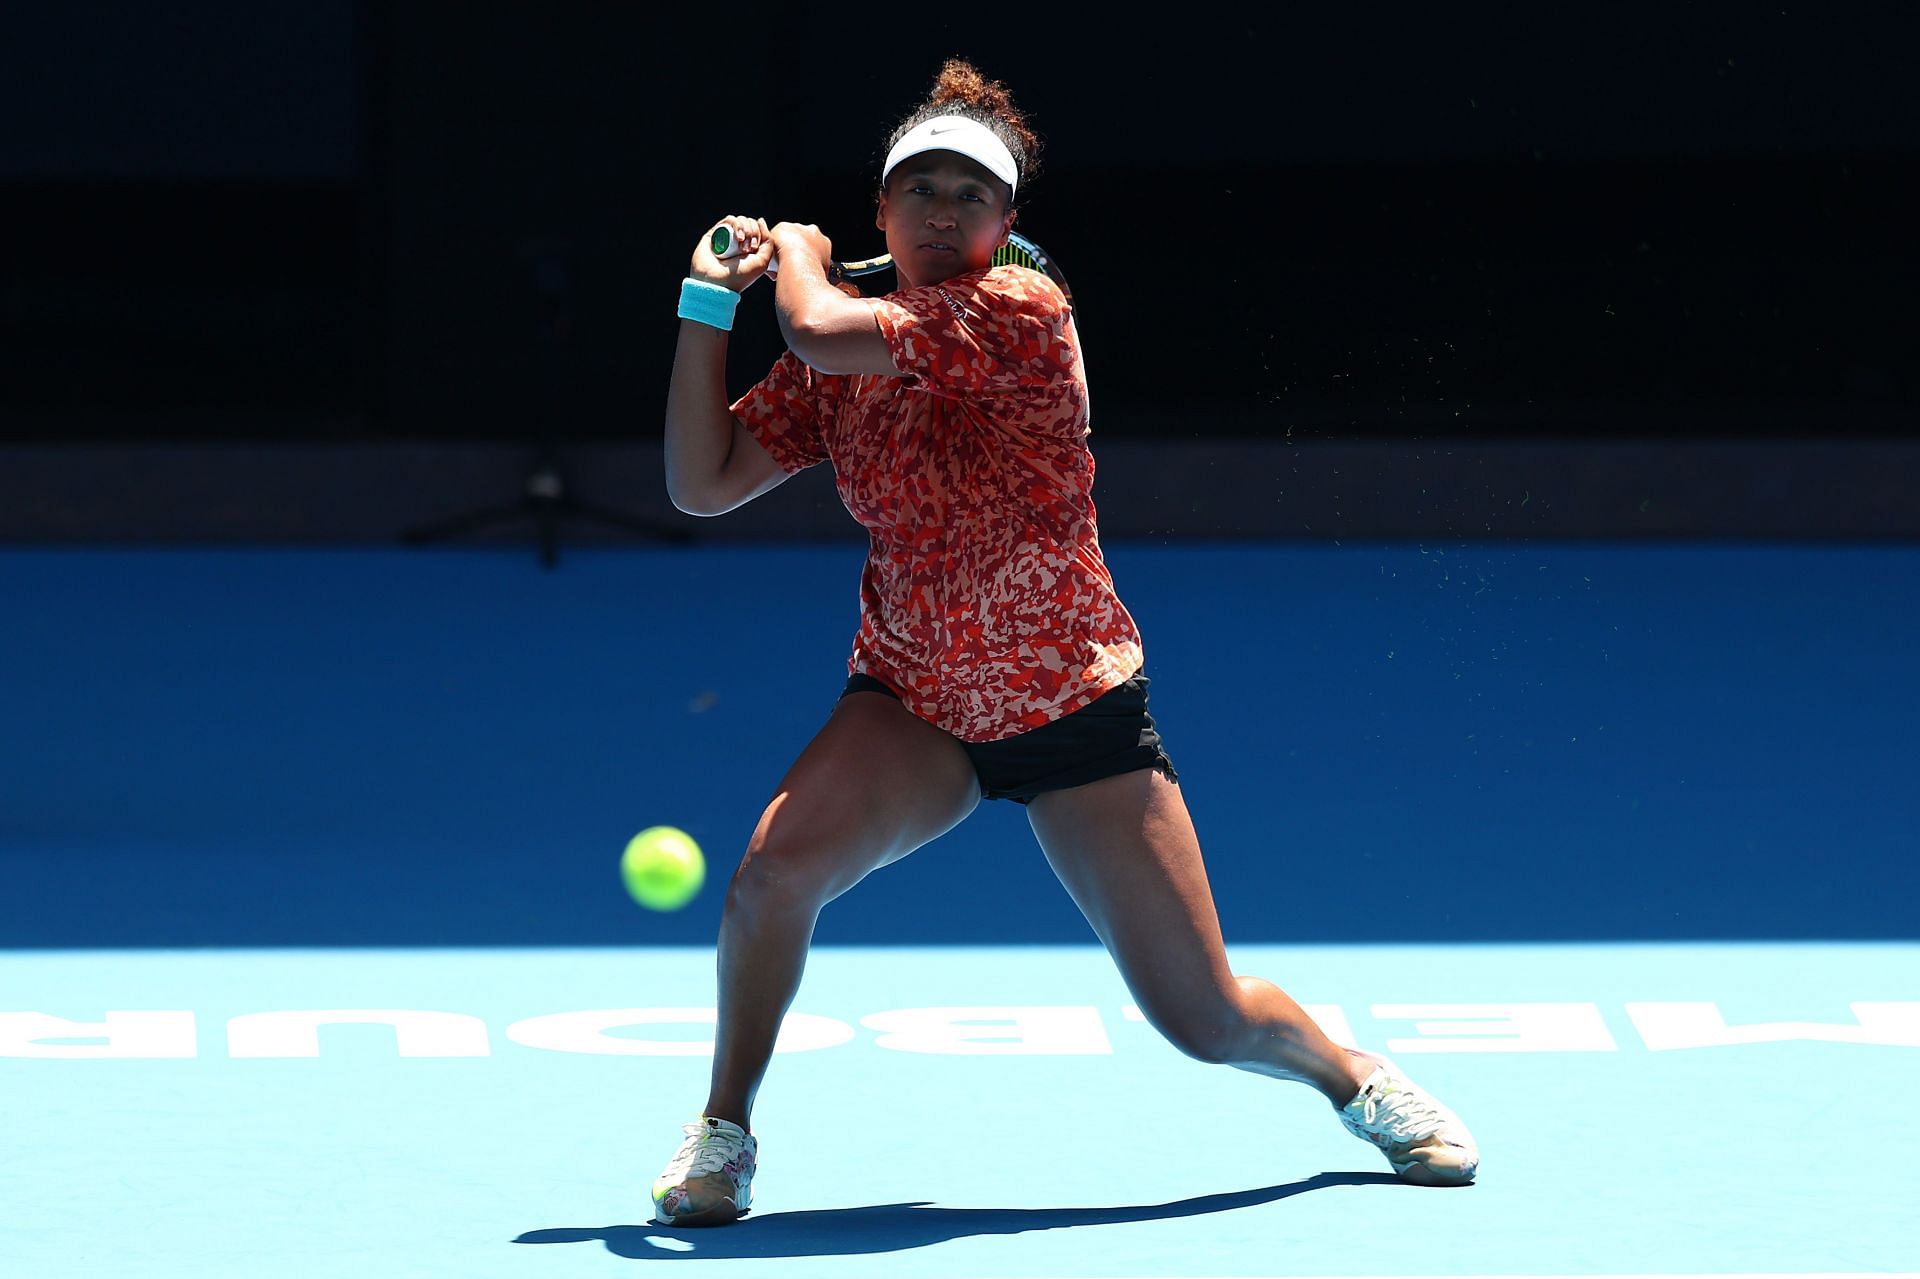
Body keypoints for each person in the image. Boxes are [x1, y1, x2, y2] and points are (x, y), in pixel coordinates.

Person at [654, 58, 1479, 1226]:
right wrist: (703, 307)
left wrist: (792, 255)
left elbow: (819, 322)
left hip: (1070, 707)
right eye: (919, 191)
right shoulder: (841, 357)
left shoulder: (1022, 314)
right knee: (769, 877)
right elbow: (703, 481)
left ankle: (1356, 1079)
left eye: (969, 197)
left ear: (1005, 226)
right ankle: (725, 1129)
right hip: (914, 701)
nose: (942, 213)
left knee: (1205, 1021)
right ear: (882, 210)